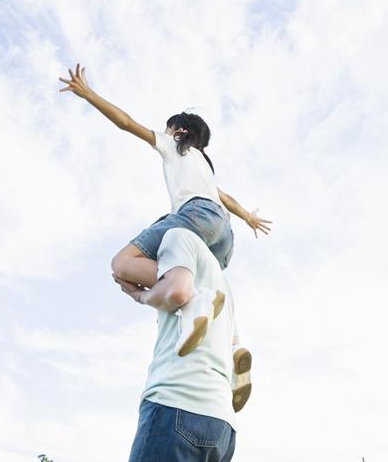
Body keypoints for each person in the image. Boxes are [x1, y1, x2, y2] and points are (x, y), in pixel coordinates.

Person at [59, 63, 265, 407]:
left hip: (195, 216)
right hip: (224, 236)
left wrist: (89, 94)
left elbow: (126, 123)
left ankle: (191, 296)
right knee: (212, 283)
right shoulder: (203, 164)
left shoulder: (175, 145)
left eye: (169, 128)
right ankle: (233, 346)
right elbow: (226, 200)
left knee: (123, 262)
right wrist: (248, 218)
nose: (164, 132)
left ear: (180, 131)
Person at [112, 227, 238, 462]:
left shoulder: (178, 236)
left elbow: (177, 291)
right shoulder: (224, 282)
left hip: (177, 406)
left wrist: (141, 296)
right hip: (221, 424)